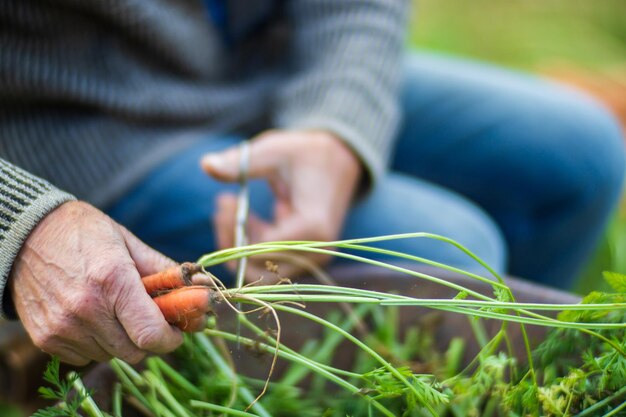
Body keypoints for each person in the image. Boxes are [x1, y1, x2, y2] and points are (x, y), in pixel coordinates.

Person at [0, 0, 623, 366]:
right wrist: (22, 225)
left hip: (257, 67)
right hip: (68, 132)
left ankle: (516, 383)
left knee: (583, 153)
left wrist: (337, 128)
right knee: (450, 254)